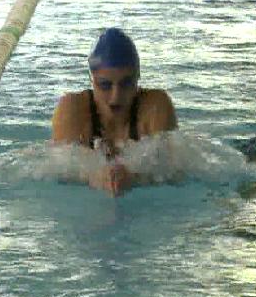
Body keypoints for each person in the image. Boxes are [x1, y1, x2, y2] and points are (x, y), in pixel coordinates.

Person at [51, 27, 178, 196]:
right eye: (105, 85)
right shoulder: (73, 109)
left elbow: (171, 172)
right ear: (92, 80)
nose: (115, 97)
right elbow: (60, 172)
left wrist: (135, 178)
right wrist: (93, 177)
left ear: (138, 77)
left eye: (126, 83)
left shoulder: (155, 106)